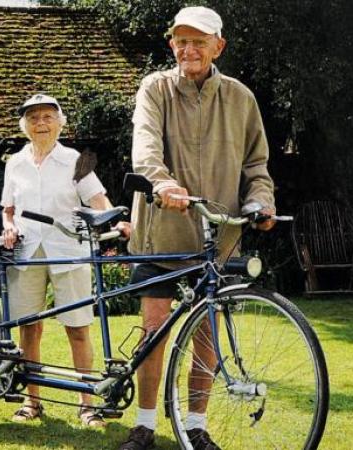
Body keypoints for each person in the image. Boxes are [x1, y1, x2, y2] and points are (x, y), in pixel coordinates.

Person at [118, 6, 276, 450]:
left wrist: (261, 201)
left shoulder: (242, 99)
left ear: (218, 46)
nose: (188, 49)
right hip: (162, 232)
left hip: (217, 236)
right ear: (171, 45)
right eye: (181, 41)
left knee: (207, 334)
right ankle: (145, 425)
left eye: (198, 41)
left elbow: (257, 166)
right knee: (154, 331)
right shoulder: (156, 88)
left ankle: (195, 424)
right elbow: (145, 147)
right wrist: (163, 182)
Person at [1, 94, 129, 427]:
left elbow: (98, 198)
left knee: (78, 329)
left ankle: (87, 405)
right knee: (29, 328)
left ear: (60, 122)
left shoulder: (76, 160)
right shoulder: (15, 162)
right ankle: (32, 402)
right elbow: (8, 208)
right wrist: (9, 226)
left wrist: (115, 222)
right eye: (33, 118)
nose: (40, 124)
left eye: (47, 117)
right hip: (27, 253)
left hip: (69, 250)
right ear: (24, 126)